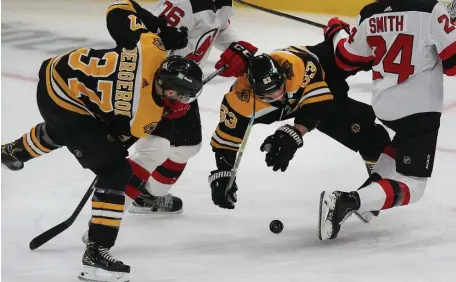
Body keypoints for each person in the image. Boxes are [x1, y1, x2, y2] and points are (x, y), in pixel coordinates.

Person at [1, 1, 203, 281]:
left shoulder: (150, 48)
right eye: (180, 96)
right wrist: (167, 111)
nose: (182, 102)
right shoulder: (144, 115)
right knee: (115, 170)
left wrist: (159, 29)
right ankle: (96, 252)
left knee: (77, 134)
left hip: (62, 71)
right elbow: (115, 139)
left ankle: (15, 152)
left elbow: (119, 8)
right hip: (63, 101)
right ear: (169, 89)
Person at [318, 0, 456, 241]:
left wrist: (336, 32)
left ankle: (370, 200)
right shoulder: (431, 10)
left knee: (401, 143)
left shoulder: (370, 13)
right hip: (419, 109)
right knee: (414, 186)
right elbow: (453, 64)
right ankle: (348, 200)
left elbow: (346, 58)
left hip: (386, 106)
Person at [207, 41, 391, 210]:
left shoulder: (296, 67)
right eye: (269, 95)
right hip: (301, 100)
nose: (278, 95)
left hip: (323, 71)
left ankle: (379, 167)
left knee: (369, 137)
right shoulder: (239, 101)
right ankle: (375, 167)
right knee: (370, 139)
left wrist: (294, 134)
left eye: (279, 87)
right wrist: (223, 174)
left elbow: (318, 105)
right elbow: (226, 139)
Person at [127, 0, 258, 214]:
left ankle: (147, 197)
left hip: (183, 87)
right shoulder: (184, 4)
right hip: (155, 85)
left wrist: (236, 46)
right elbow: (146, 44)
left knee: (187, 145)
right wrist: (161, 91)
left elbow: (220, 29)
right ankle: (111, 207)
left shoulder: (221, 3)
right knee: (151, 148)